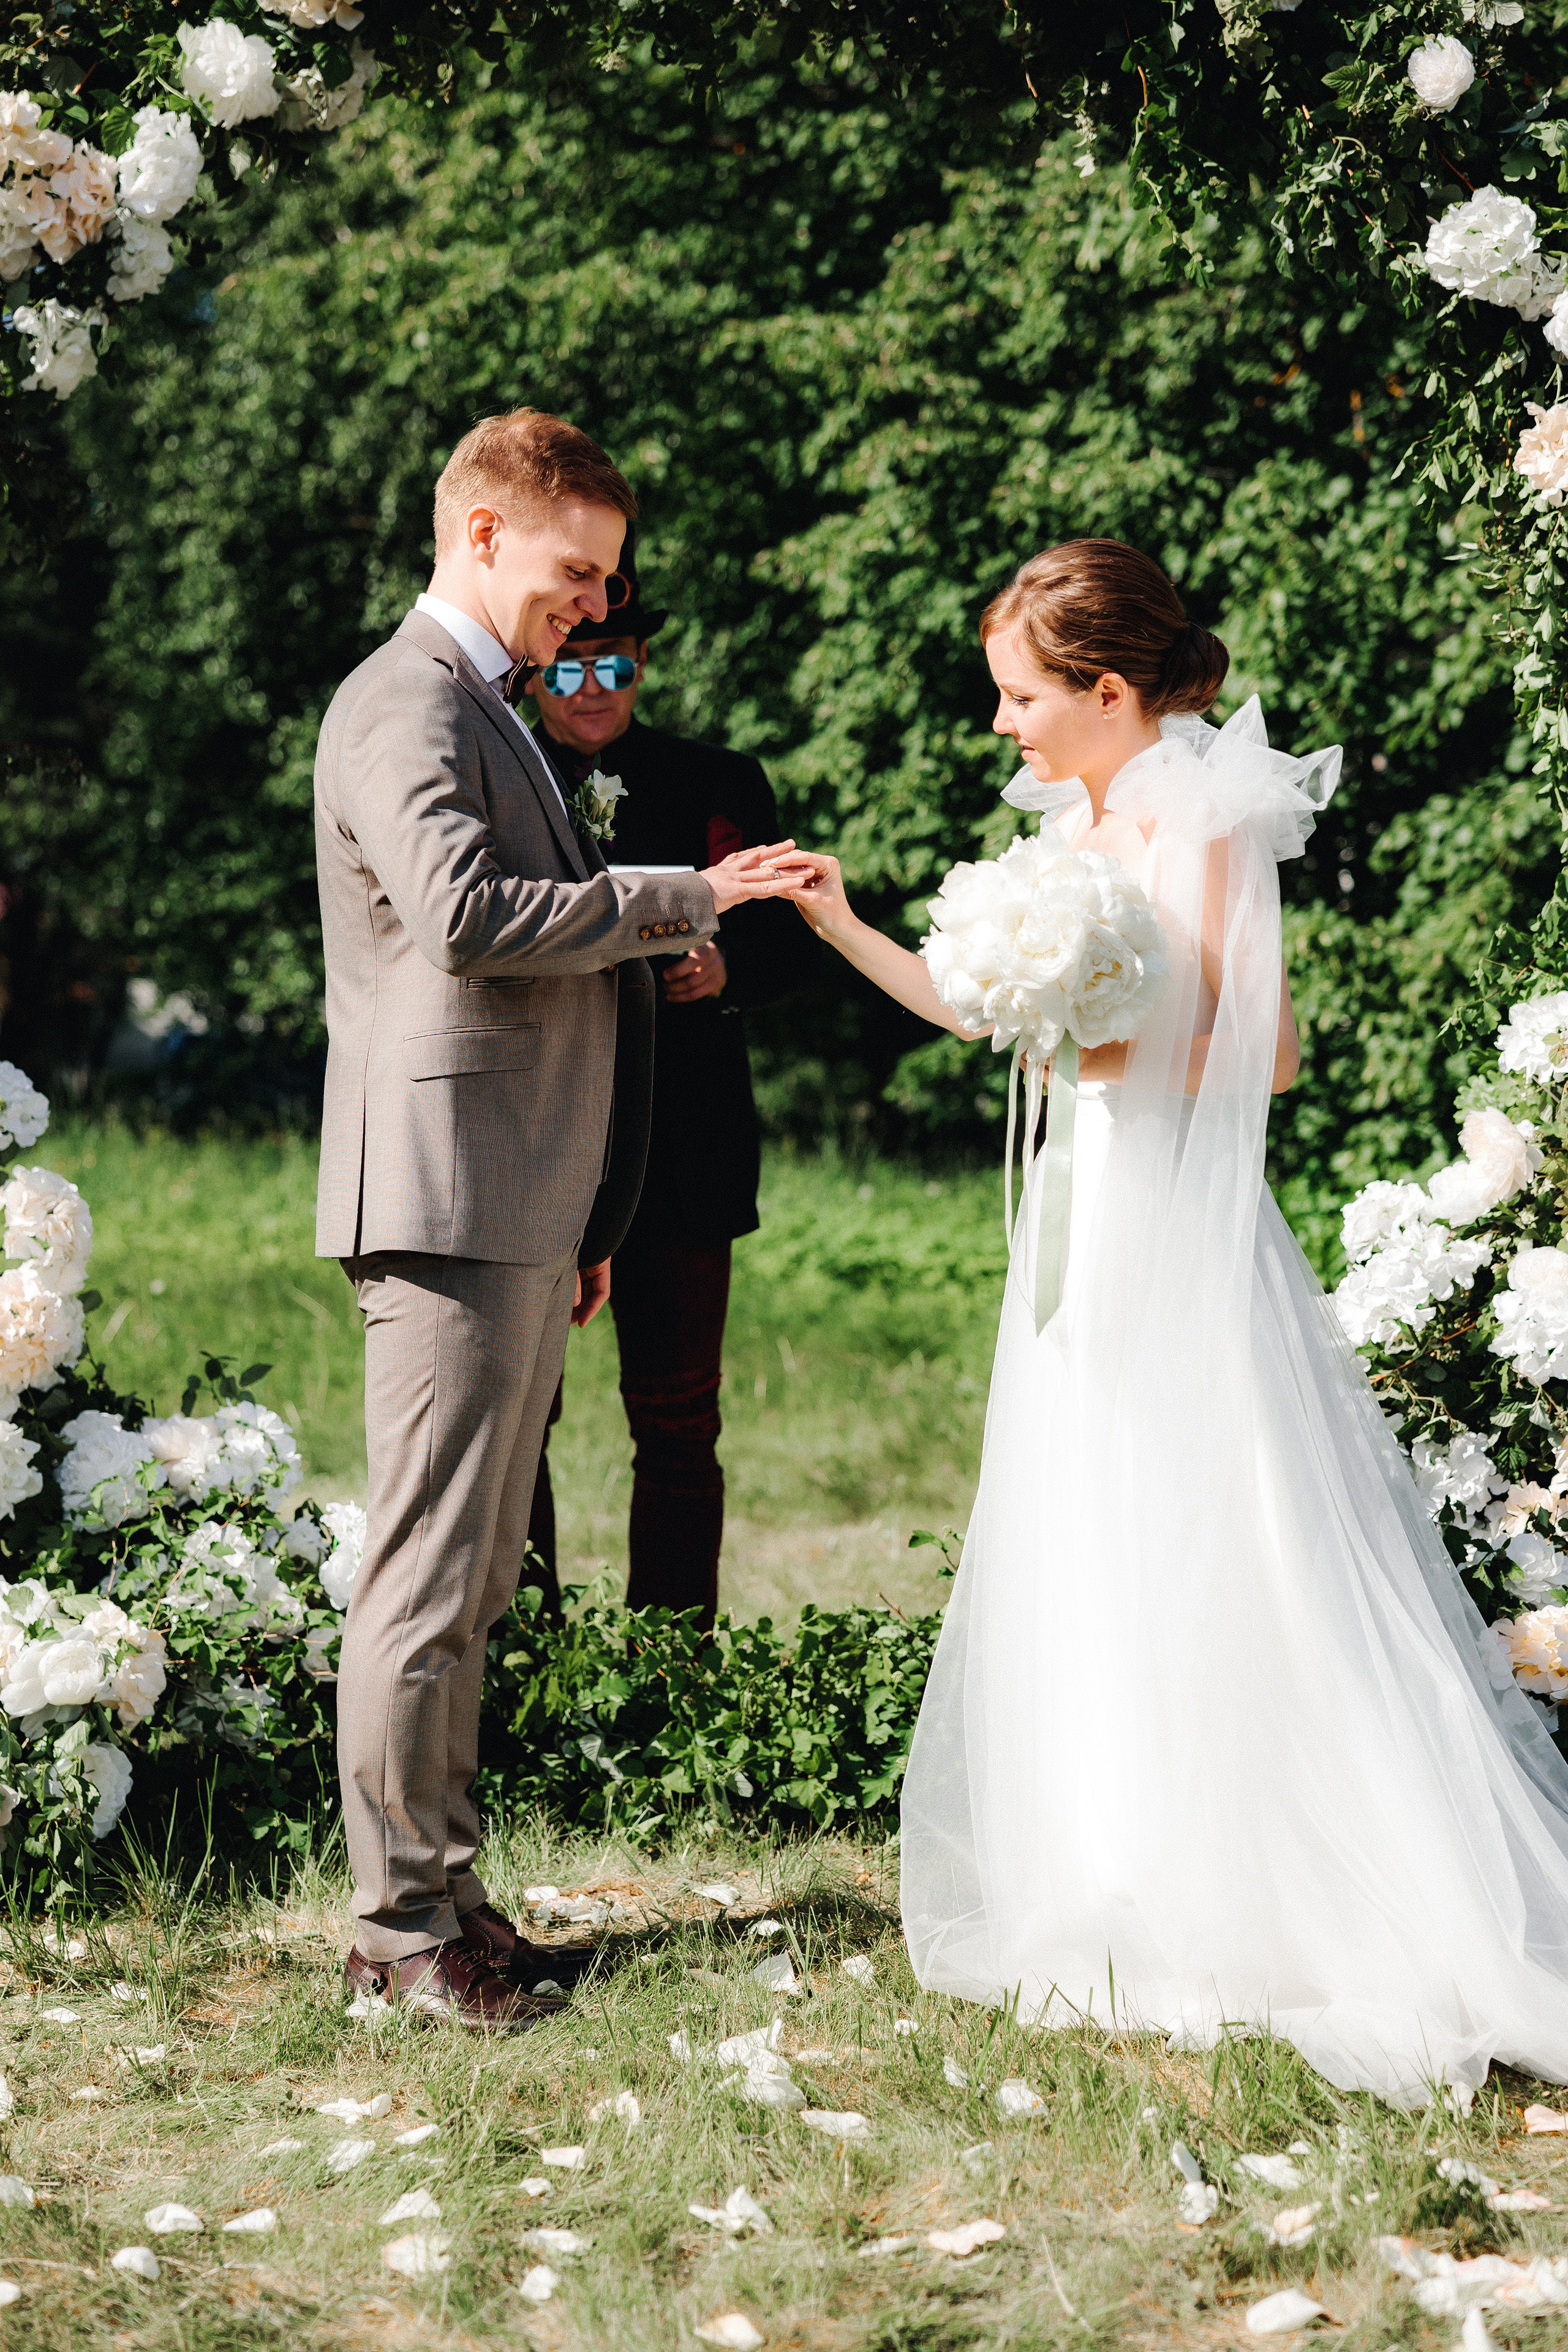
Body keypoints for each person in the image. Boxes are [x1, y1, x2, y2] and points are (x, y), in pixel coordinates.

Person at [783, 535, 1568, 2106]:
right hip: (1083, 1215)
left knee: (1218, 1532)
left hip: (1177, 1230)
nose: (1000, 723)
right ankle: (1111, 1874)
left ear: (1108, 689)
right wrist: (840, 922)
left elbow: (1259, 1060)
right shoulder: (1072, 816)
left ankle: (1267, 1896)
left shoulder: (1198, 819)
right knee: (1088, 1525)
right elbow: (987, 996)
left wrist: (1081, 1042)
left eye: (1020, 695)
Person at [312, 407, 811, 2030]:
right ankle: (397, 1931)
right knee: (429, 1573)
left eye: (605, 580)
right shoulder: (408, 700)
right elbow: (462, 920)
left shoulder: (495, 707)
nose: (592, 609)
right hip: (447, 1196)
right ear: (479, 535)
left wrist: (589, 1209)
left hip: (518, 1192)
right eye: (573, 572)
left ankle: (451, 1895)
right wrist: (686, 893)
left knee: (476, 1586)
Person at [519, 539, 818, 1623]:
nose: (593, 691)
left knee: (681, 1422)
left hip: (685, 1142)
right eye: (570, 668)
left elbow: (795, 934)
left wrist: (726, 967)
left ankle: (673, 1662)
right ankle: (529, 1658)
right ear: (536, 669)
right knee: (519, 1424)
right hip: (540, 1136)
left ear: (642, 665)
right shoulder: (502, 775)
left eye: (617, 668)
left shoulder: (716, 782)